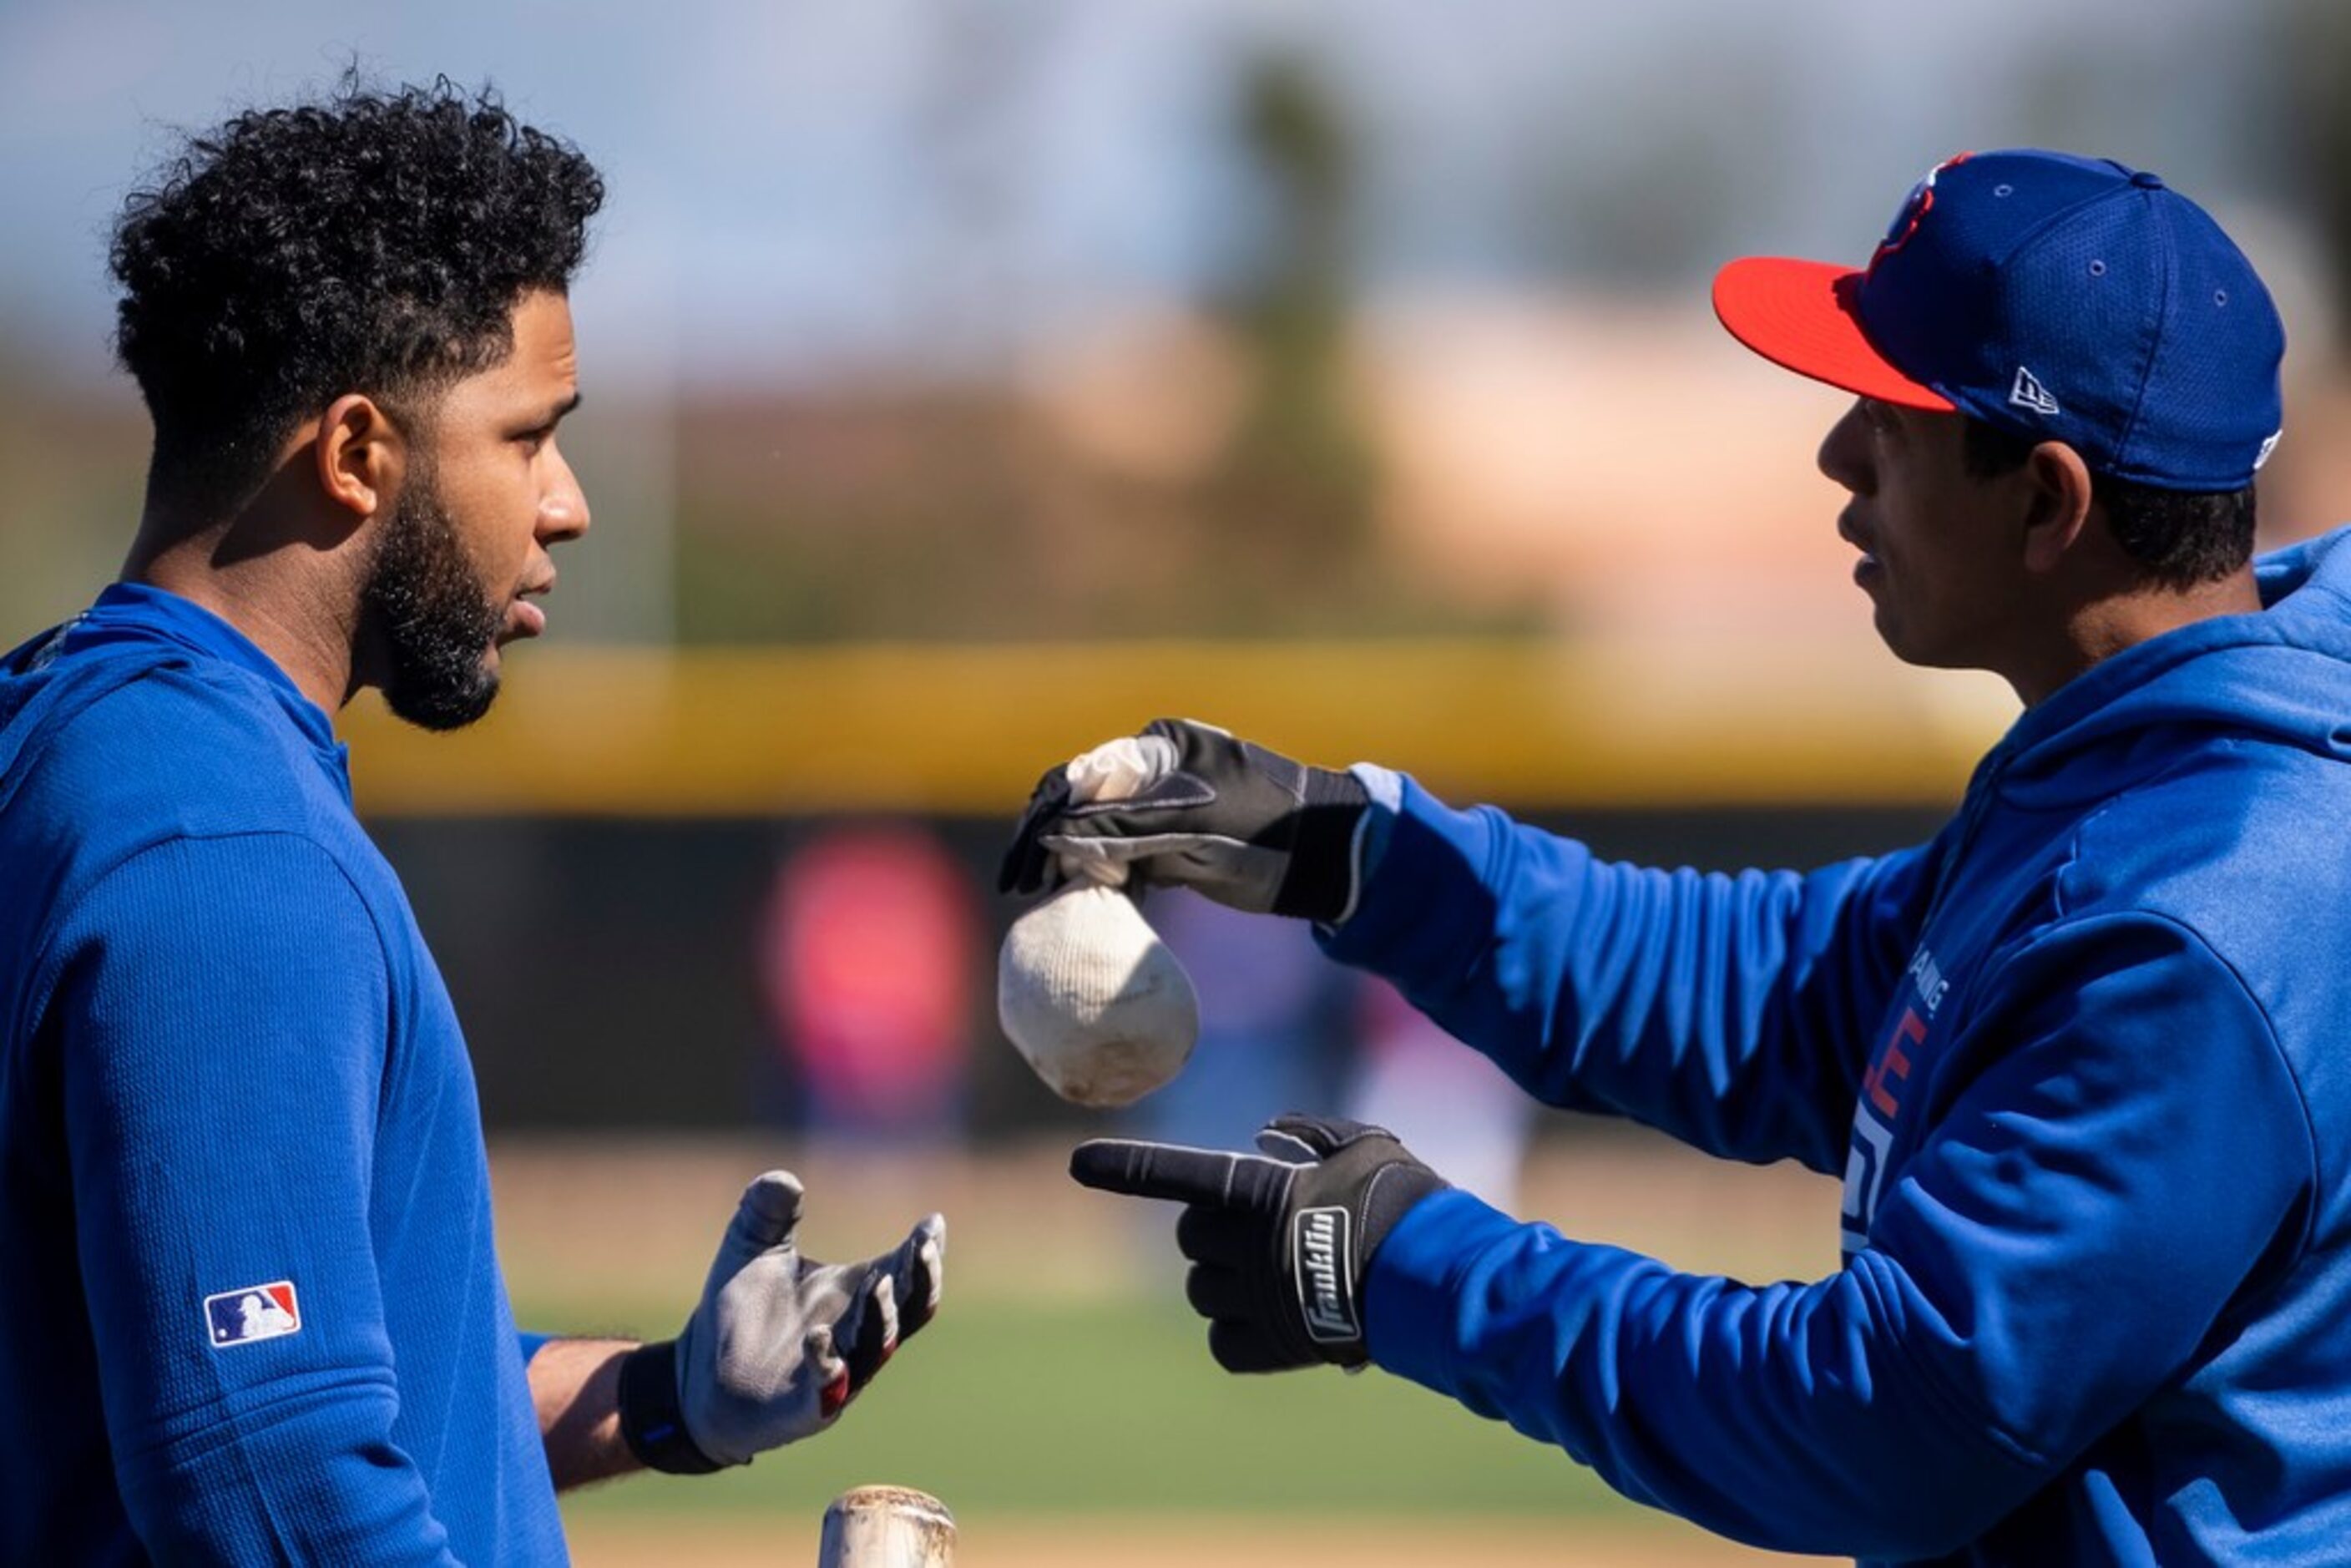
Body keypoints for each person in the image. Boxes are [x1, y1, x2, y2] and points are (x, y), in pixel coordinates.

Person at [1001, 149, 2351, 1564]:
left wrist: (1405, 1265)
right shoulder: (2146, 768)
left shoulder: (2206, 914)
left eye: (1893, 418)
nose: (1837, 455)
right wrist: (1364, 855)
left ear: (2047, 502)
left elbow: (1885, 1418)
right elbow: (1788, 993)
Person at [0, 78, 943, 1563]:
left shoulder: (75, 736)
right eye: (526, 435)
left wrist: (662, 1397)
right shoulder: (223, 854)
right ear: (359, 452)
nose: (565, 503)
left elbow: (316, 1373)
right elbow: (275, 1479)